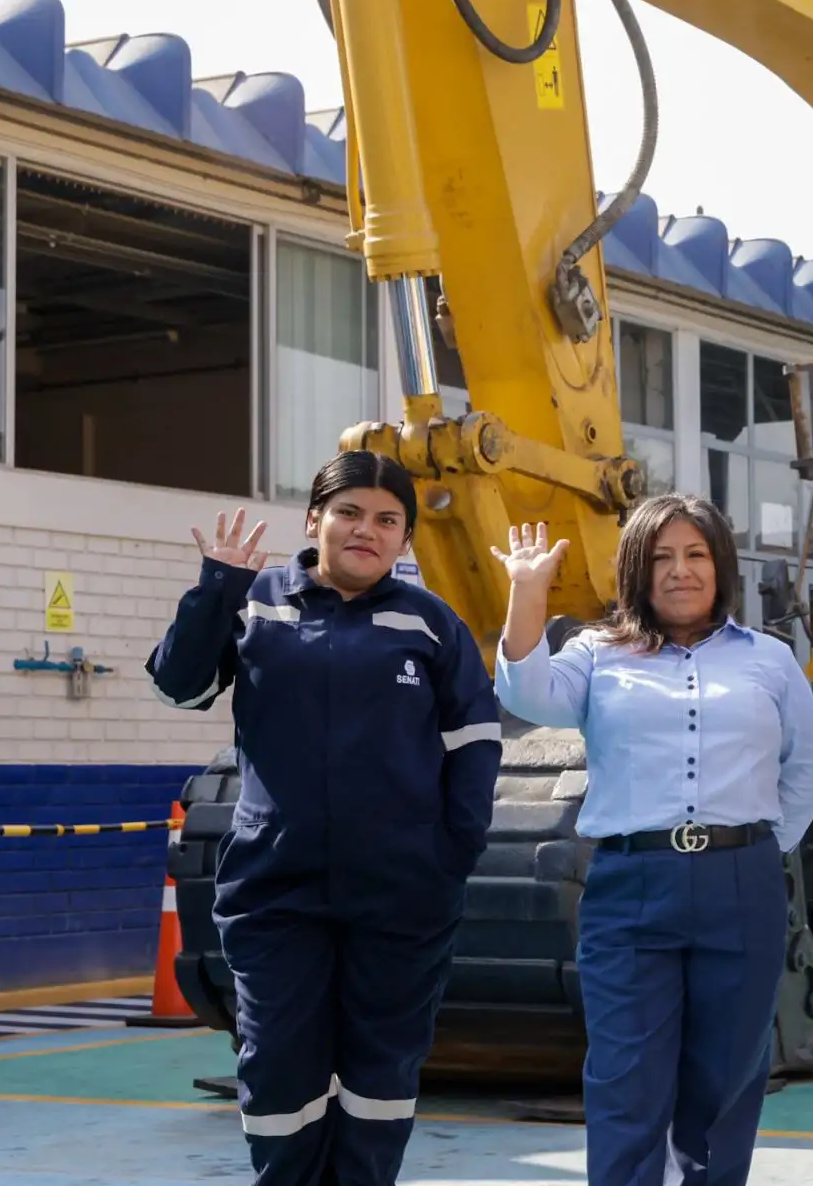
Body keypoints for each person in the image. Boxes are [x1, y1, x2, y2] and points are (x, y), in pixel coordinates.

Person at [146, 450, 503, 1186]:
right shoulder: (258, 600)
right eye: (348, 512)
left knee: (381, 1072)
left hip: (402, 895)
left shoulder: (433, 625)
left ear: (405, 539)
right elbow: (179, 688)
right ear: (315, 520)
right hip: (276, 889)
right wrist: (217, 588)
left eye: (386, 520)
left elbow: (475, 743)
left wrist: (450, 855)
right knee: (277, 1064)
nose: (364, 531)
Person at [490, 493, 813, 1186]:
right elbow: (529, 697)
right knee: (626, 1077)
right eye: (661, 558)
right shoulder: (597, 652)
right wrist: (527, 594)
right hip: (630, 885)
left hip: (743, 886)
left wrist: (754, 849)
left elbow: (808, 770)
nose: (680, 571)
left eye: (696, 554)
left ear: (722, 566)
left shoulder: (768, 660)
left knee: (726, 1079)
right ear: (637, 574)